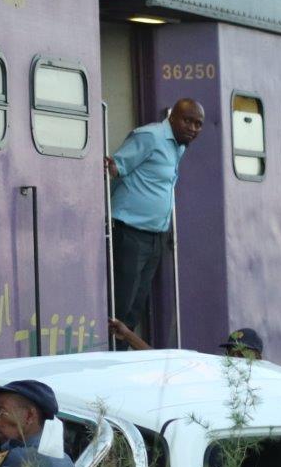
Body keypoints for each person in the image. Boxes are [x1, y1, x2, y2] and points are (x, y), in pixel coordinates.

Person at [105, 98, 206, 333]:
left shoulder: (178, 146)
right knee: (120, 307)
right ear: (172, 118)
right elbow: (116, 168)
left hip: (155, 238)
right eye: (187, 121)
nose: (193, 128)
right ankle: (110, 360)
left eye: (198, 124)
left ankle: (121, 358)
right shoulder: (150, 136)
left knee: (134, 309)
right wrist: (109, 165)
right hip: (130, 233)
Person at [107, 321, 264, 362]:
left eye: (242, 354)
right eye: (232, 354)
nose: (236, 359)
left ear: (258, 358)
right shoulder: (218, 374)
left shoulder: (268, 381)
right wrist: (127, 334)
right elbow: (161, 360)